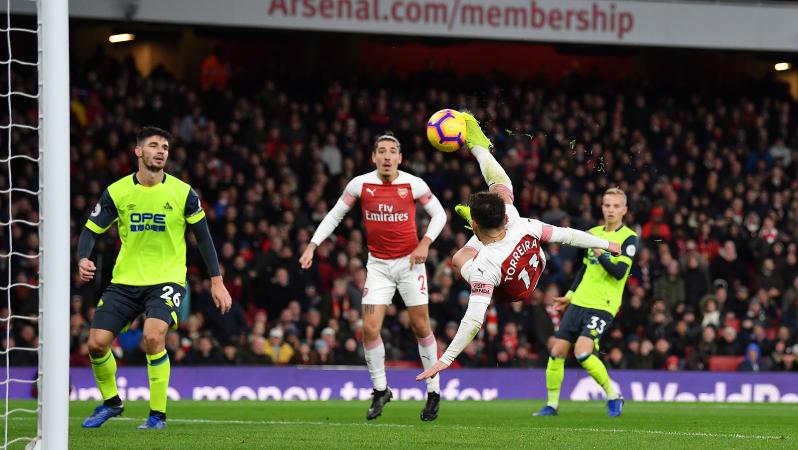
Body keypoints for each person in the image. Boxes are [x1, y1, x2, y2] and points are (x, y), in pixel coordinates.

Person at [415, 113, 620, 403]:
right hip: (534, 261)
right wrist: (605, 242)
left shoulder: (485, 266)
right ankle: (479, 148)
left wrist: (445, 359)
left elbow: (474, 320)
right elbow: (568, 235)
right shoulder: (521, 222)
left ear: (474, 227)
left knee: (459, 259)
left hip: (515, 290)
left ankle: (476, 204)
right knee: (502, 190)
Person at [77, 127, 232, 429]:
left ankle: (157, 415)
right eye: (153, 145)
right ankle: (111, 403)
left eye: (165, 147)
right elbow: (89, 231)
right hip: (125, 281)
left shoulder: (183, 193)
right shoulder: (118, 192)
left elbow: (203, 238)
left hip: (167, 279)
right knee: (96, 344)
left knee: (152, 337)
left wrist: (217, 280)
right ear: (138, 151)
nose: (161, 151)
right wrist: (83, 258)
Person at [299, 134, 446, 421]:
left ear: (400, 158)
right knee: (369, 328)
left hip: (410, 265)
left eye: (393, 152)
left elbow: (439, 214)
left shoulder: (414, 184)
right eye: (382, 151)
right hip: (378, 266)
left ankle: (433, 391)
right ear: (373, 157)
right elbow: (334, 215)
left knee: (420, 326)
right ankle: (381, 390)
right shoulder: (360, 184)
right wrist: (312, 245)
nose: (388, 156)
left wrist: (425, 242)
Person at [534, 187, 638, 418]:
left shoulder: (628, 238)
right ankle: (551, 405)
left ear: (624, 210)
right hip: (580, 301)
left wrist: (601, 250)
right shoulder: (592, 232)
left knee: (582, 352)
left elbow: (620, 272)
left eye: (616, 206)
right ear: (602, 207)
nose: (611, 210)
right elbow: (584, 269)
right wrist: (570, 296)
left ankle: (614, 395)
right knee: (557, 350)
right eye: (607, 205)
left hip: (604, 304)